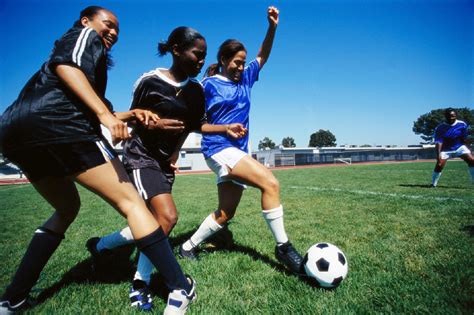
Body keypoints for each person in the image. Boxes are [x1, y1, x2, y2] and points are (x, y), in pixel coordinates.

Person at [0, 7, 195, 315]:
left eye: (118, 29)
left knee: (66, 208)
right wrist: (105, 115)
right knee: (133, 204)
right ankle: (180, 285)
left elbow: (94, 105)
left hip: (18, 135)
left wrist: (131, 115)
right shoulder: (82, 36)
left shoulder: (92, 73)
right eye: (108, 24)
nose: (113, 32)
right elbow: (66, 67)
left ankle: (12, 299)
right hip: (60, 126)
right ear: (86, 21)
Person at [85, 27, 247, 311]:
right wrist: (154, 123)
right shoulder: (149, 81)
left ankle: (101, 246)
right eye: (197, 54)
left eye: (204, 56)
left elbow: (195, 125)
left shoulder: (196, 90)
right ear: (176, 50)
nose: (200, 61)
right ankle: (140, 281)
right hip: (141, 156)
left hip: (164, 163)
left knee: (152, 222)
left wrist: (224, 128)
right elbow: (131, 118)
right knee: (168, 217)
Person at [179, 6, 304, 275]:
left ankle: (187, 246)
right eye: (236, 61)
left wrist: (272, 27)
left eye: (242, 62)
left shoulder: (246, 79)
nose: (240, 66)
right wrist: (225, 129)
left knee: (226, 213)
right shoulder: (207, 85)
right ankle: (283, 247)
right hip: (217, 148)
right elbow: (196, 124)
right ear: (224, 59)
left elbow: (263, 55)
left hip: (236, 151)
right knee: (270, 182)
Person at [431, 108, 474, 187]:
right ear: (445, 116)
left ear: (456, 116)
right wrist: (438, 156)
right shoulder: (440, 127)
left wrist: (469, 149)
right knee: (439, 165)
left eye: (453, 116)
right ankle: (433, 184)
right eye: (449, 116)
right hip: (445, 149)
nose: (451, 118)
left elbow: (464, 138)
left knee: (472, 160)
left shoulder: (462, 124)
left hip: (459, 146)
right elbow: (439, 142)